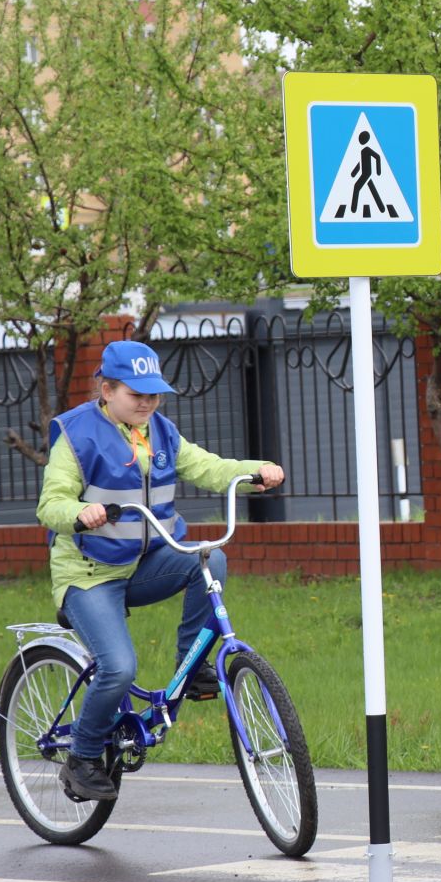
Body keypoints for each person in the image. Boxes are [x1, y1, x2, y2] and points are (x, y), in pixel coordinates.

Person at [35, 340, 283, 803]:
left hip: (146, 563)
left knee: (209, 560)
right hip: (89, 573)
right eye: (136, 393)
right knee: (119, 667)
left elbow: (209, 467)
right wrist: (80, 513)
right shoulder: (76, 434)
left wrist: (255, 470)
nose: (147, 402)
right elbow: (50, 504)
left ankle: (194, 666)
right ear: (106, 390)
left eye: (154, 394)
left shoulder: (161, 432)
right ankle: (83, 758)